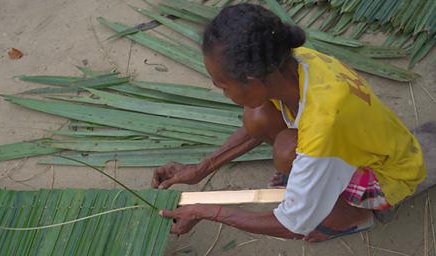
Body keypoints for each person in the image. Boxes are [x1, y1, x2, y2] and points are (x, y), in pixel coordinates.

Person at [151, 3, 427, 242]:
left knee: (287, 151)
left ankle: (353, 217)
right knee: (257, 116)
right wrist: (201, 169)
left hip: (388, 178)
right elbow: (255, 127)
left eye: (223, 85)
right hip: (367, 144)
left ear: (253, 80)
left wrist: (207, 211)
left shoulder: (323, 128)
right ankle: (310, 182)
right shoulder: (293, 63)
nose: (222, 92)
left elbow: (293, 225)